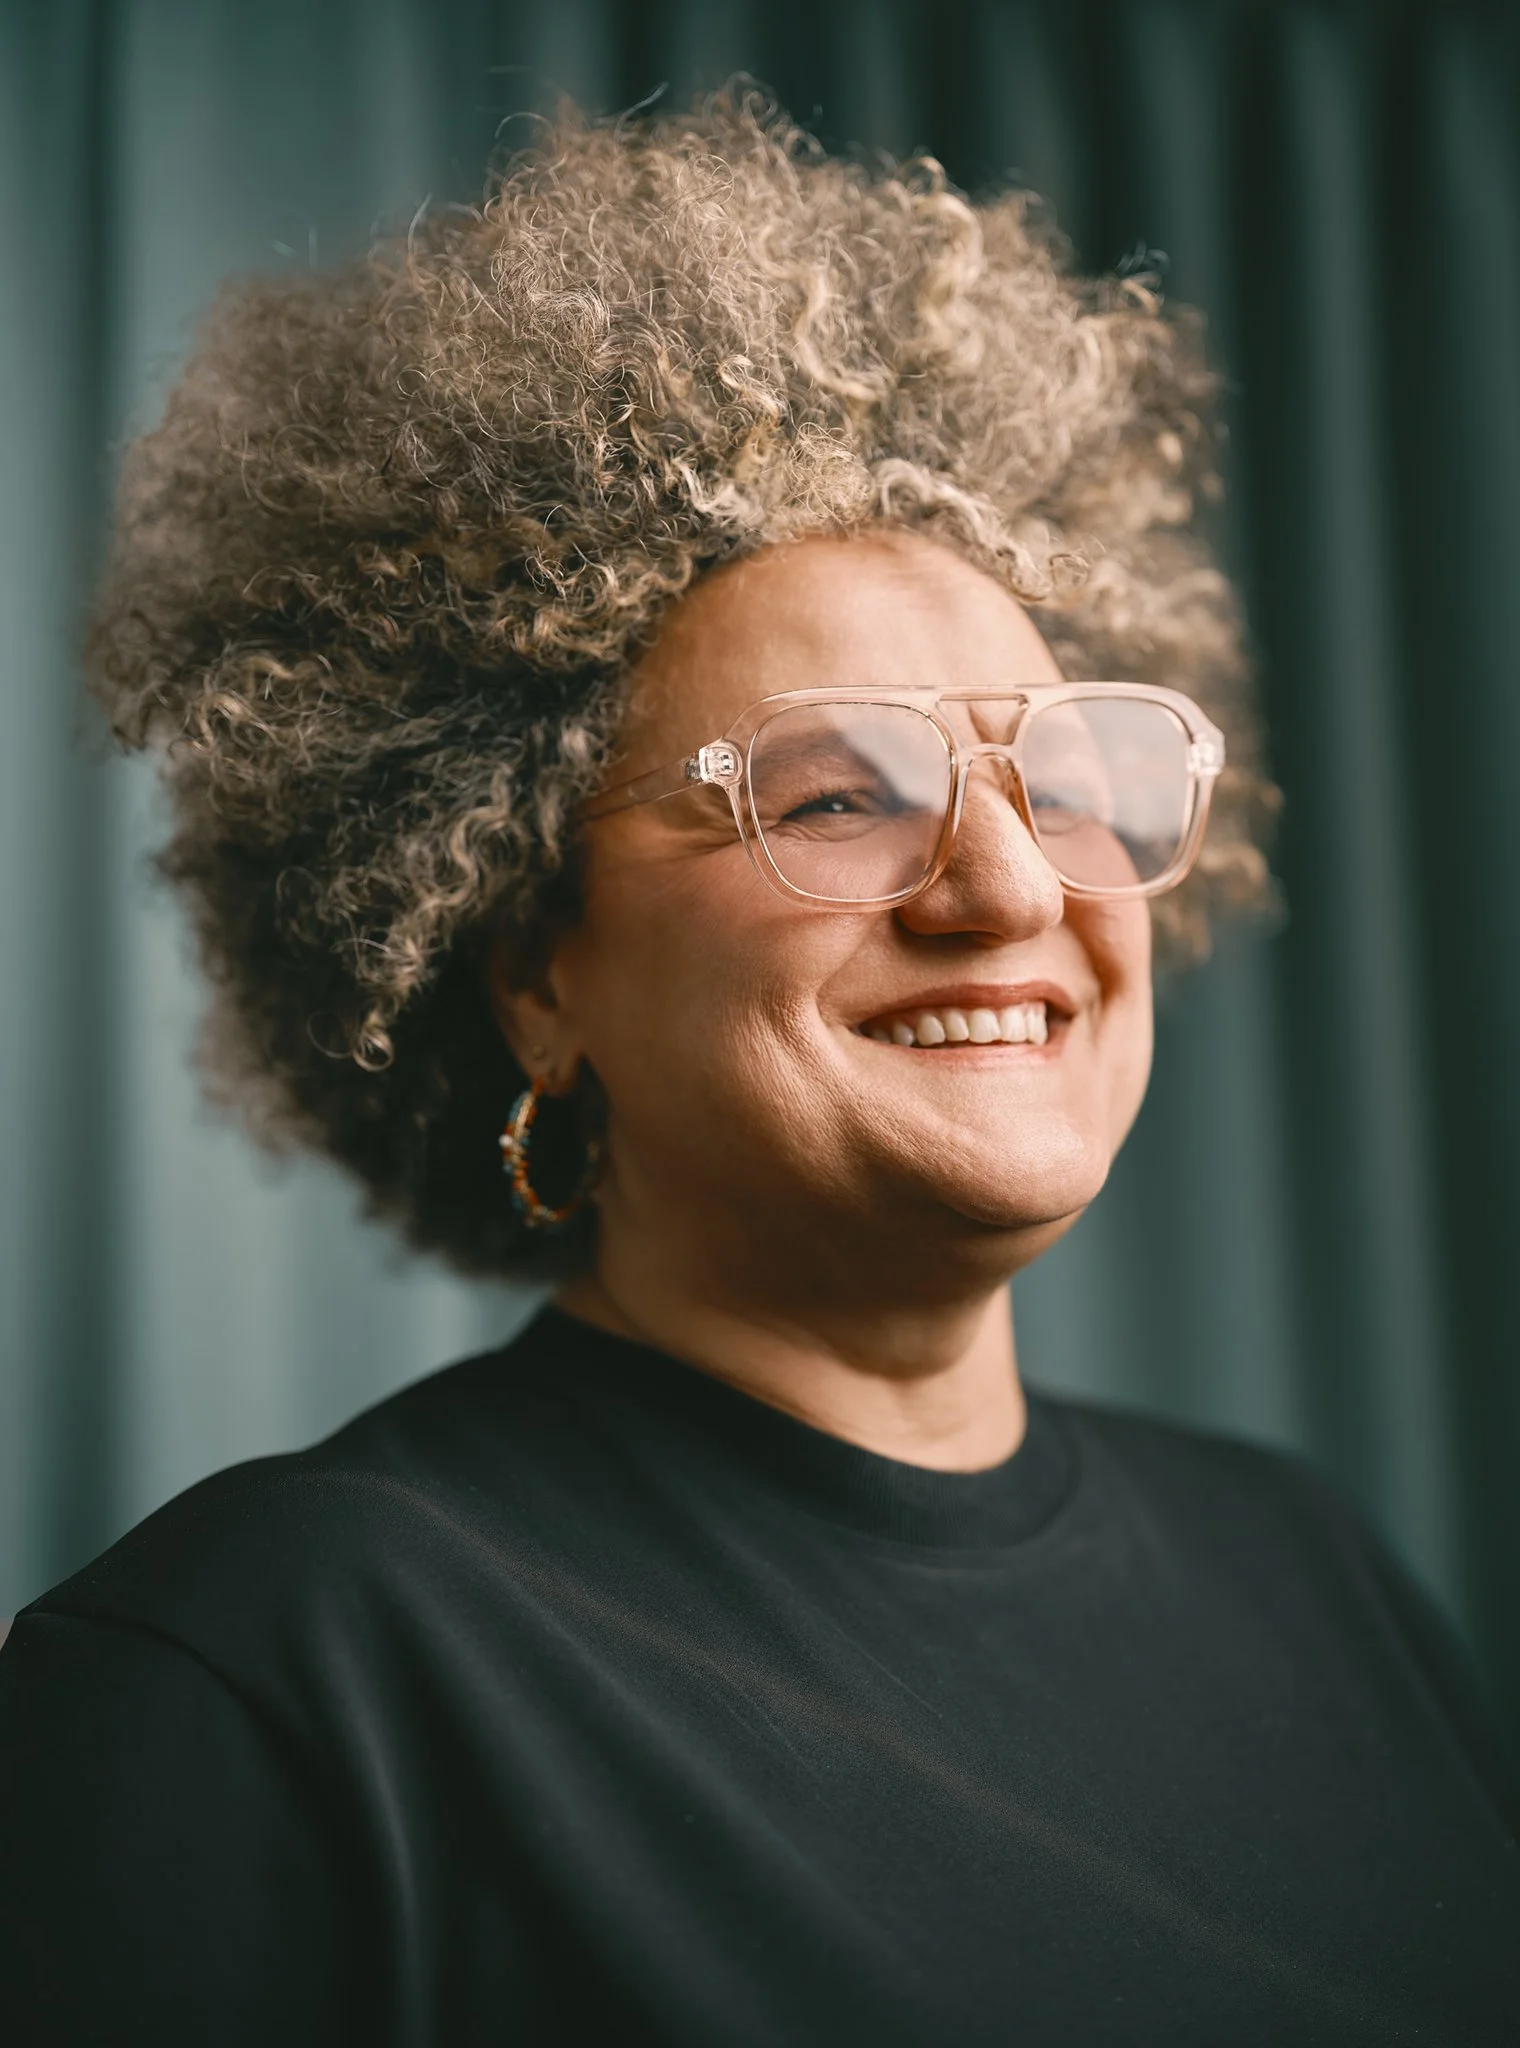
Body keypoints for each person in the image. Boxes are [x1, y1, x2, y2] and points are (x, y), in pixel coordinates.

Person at [1, 95, 1514, 2048]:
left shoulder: (1316, 1574)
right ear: (535, 968)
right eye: (831, 794)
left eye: (1061, 781)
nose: (1002, 883)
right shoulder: (255, 1672)